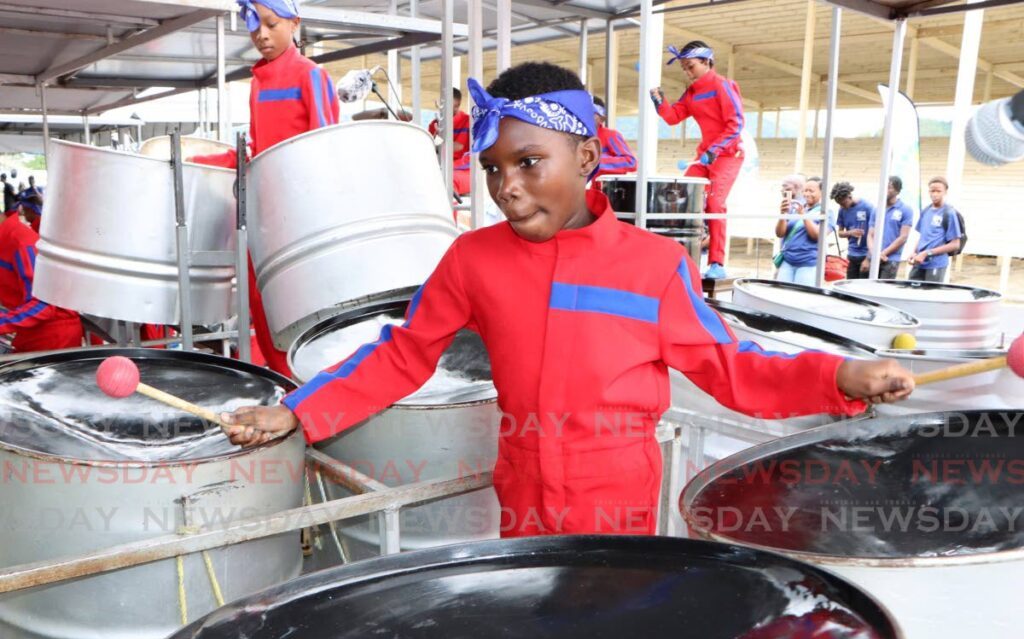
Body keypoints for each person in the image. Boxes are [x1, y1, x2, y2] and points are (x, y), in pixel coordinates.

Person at [221, 62, 914, 537]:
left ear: (586, 158)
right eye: (492, 169)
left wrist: (836, 376)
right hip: (521, 504)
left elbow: (738, 369)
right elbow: (402, 357)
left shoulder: (654, 267)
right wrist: (297, 413)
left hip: (618, 515)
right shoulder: (472, 259)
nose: (507, 187)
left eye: (529, 162)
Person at [191, 0, 340, 377]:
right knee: (262, 308)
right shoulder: (257, 81)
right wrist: (209, 162)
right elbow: (258, 151)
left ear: (294, 23)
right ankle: (284, 388)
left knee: (301, 311)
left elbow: (324, 148)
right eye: (255, 26)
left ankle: (309, 388)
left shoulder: (311, 75)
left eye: (272, 24)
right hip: (264, 215)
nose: (262, 35)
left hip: (301, 218)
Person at [651, 41, 745, 280]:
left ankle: (716, 262)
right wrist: (659, 101)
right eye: (684, 68)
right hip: (704, 155)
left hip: (727, 155)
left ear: (706, 62)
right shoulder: (691, 91)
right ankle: (678, 255)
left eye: (690, 66)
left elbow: (736, 124)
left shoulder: (723, 85)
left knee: (714, 205)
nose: (687, 72)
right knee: (683, 197)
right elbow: (673, 117)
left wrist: (715, 149)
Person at [0, 194, 82, 353]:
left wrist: (3, 323)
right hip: (31, 331)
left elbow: (42, 304)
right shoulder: (7, 239)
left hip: (52, 336)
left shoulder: (22, 243)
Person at [775, 176, 834, 286]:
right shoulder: (794, 208)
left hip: (808, 264)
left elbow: (817, 235)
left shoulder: (826, 213)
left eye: (811, 191)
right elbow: (780, 233)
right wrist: (782, 214)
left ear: (822, 193)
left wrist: (803, 215)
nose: (806, 194)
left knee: (800, 296)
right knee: (781, 294)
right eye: (805, 191)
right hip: (788, 261)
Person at [910, 176, 961, 283]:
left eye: (938, 191)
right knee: (912, 293)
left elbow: (955, 244)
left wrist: (927, 253)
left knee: (930, 295)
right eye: (932, 191)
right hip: (919, 262)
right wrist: (914, 252)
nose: (935, 194)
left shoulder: (949, 213)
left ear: (945, 192)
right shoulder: (926, 211)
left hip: (936, 264)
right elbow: (923, 236)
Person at [867, 175, 914, 280]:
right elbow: (870, 234)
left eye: (888, 187)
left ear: (897, 191)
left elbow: (903, 237)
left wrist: (883, 253)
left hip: (890, 259)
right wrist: (873, 253)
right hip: (873, 258)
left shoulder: (905, 210)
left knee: (883, 290)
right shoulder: (876, 209)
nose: (885, 190)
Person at [830, 181, 873, 279]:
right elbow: (840, 233)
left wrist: (868, 259)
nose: (842, 206)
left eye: (843, 203)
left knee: (862, 287)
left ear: (849, 196)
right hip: (851, 255)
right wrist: (850, 233)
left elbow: (876, 235)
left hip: (865, 254)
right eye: (839, 204)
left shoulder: (867, 207)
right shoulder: (842, 210)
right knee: (849, 285)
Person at [592, 96, 636, 179]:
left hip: (604, 189)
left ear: (602, 118)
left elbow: (631, 162)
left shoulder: (611, 135)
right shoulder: (576, 138)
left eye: (592, 114)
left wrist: (595, 161)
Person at [429, 87, 470, 166]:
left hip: (461, 167)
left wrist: (436, 144)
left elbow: (458, 147)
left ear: (457, 105)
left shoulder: (467, 121)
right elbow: (429, 147)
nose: (442, 107)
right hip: (440, 165)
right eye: (442, 103)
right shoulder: (434, 123)